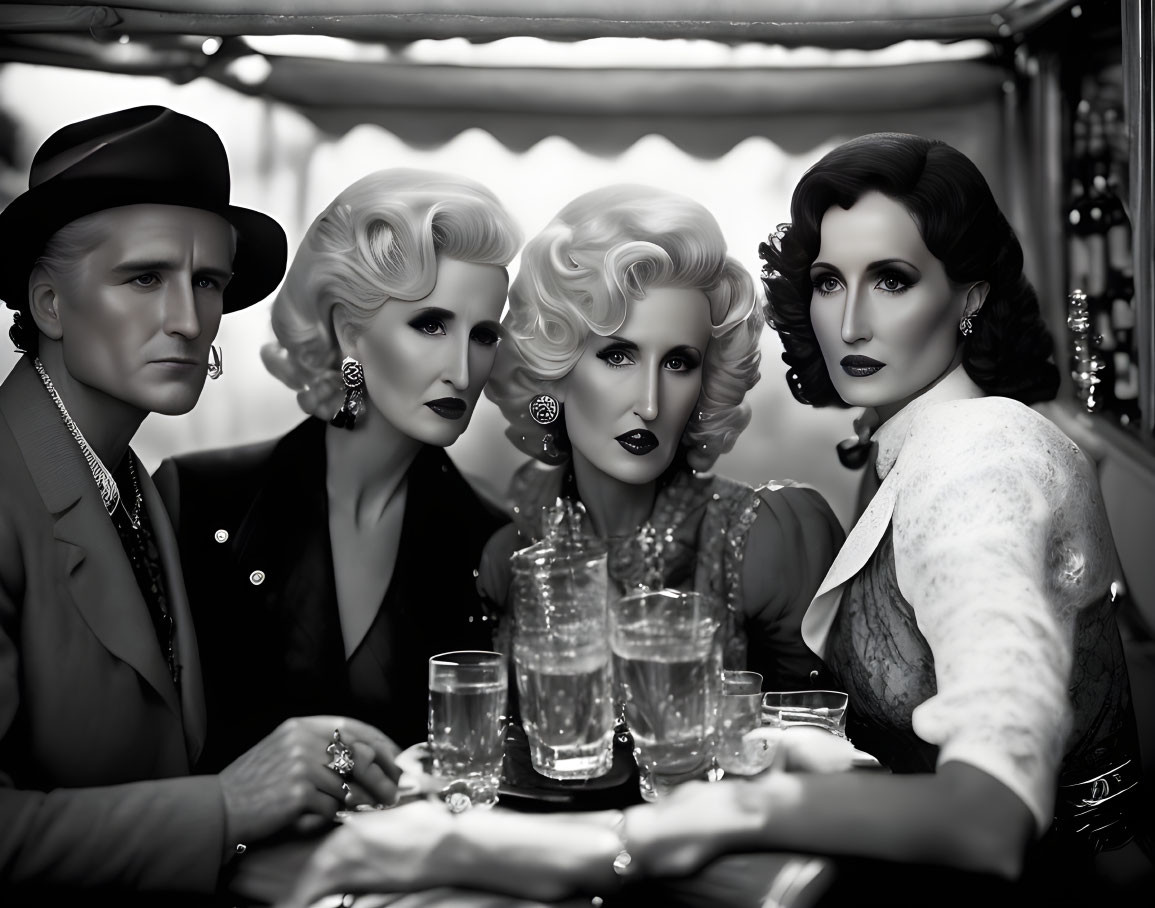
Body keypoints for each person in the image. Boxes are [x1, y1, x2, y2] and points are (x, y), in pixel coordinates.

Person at [278, 135, 1150, 908]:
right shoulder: (507, 545)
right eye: (826, 281)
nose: (850, 321)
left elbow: (981, 802)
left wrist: (696, 814)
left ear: (968, 299)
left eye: (892, 278)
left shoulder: (974, 461)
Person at [0, 106, 404, 906]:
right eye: (143, 277)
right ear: (48, 305)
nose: (188, 321)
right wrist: (225, 807)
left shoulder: (136, 484)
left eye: (207, 282)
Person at [154, 168, 522, 771]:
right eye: (430, 324)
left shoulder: (492, 540)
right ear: (350, 332)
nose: (462, 367)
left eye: (483, 335)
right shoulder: (198, 498)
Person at [478, 184, 844, 693]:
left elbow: (824, 745)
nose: (650, 403)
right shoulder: (511, 554)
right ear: (553, 372)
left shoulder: (768, 542)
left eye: (678, 363)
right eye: (618, 356)